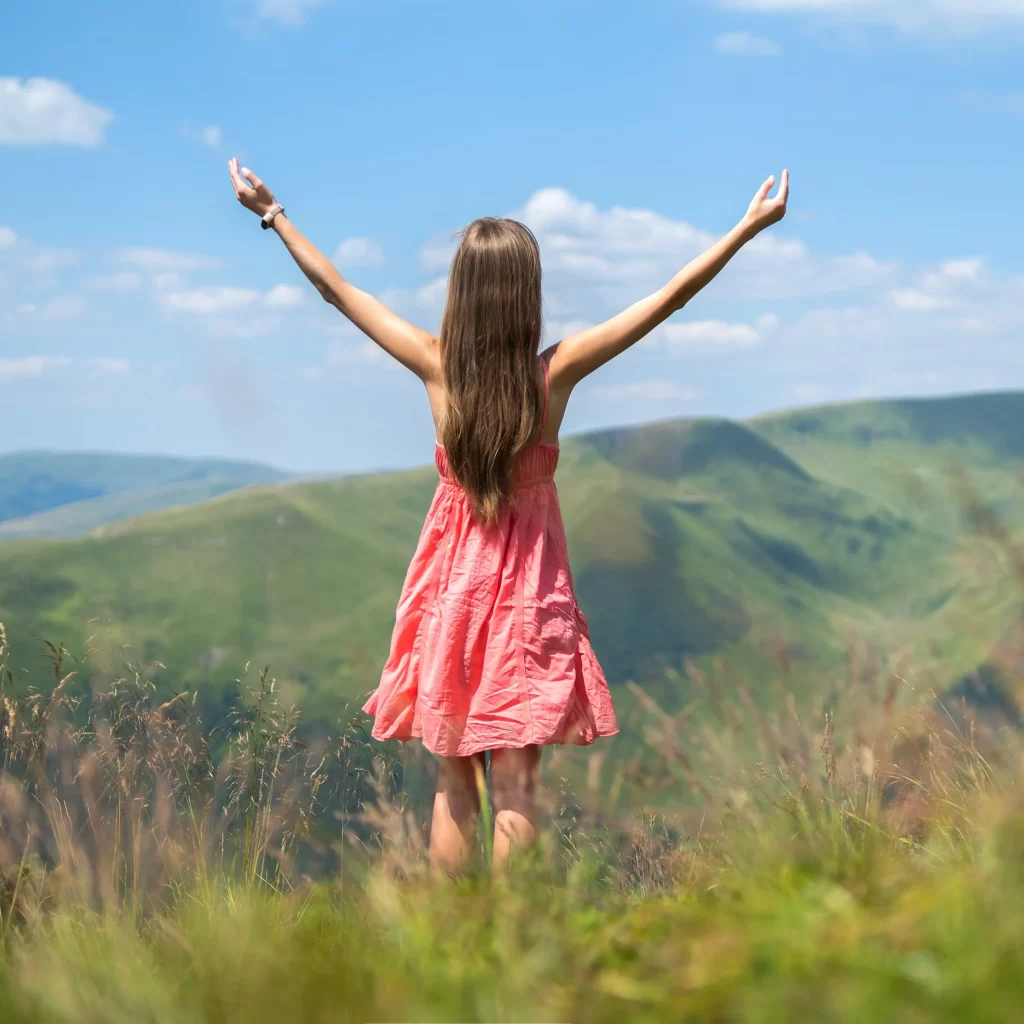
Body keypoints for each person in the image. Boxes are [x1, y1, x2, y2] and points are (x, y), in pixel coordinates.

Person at [227, 158, 789, 873]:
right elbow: (669, 297)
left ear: (460, 293)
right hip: (530, 601)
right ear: (528, 296)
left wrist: (274, 215)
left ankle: (451, 942)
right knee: (517, 781)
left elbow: (338, 291)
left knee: (454, 777)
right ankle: (514, 934)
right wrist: (745, 229)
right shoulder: (553, 376)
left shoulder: (435, 370)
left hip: (452, 600)